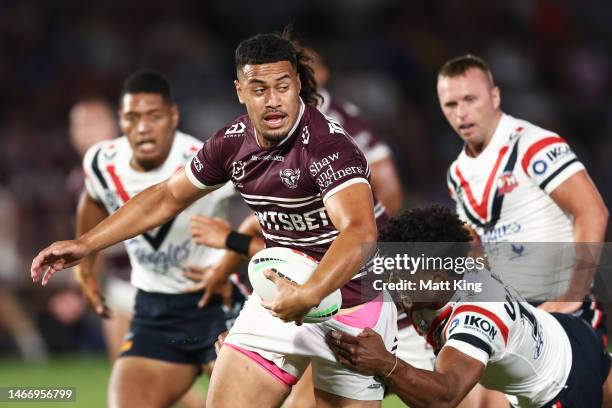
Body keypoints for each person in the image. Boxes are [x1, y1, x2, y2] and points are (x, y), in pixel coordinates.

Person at [31, 33, 397, 407]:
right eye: (258, 89)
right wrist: (86, 243)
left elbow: (359, 231)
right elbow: (167, 196)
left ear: (298, 86)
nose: (272, 101)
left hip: (352, 306)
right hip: (277, 302)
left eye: (282, 87)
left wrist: (310, 292)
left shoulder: (329, 147)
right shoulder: (233, 143)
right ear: (240, 91)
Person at [52, 71, 236, 407]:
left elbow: (264, 209)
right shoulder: (101, 161)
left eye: (154, 116)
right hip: (155, 309)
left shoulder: (204, 158)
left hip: (217, 302)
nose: (143, 127)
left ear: (173, 116)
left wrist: (230, 259)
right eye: (133, 117)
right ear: (120, 119)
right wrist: (87, 267)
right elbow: (92, 199)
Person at [327, 206, 612, 408]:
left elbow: (445, 397)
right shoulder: (439, 273)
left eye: (404, 274)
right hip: (564, 333)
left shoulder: (474, 317)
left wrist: (385, 364)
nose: (394, 281)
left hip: (558, 387)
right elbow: (466, 235)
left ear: (438, 279)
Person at [439, 54, 608, 336]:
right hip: (511, 313)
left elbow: (592, 211)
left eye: (470, 99)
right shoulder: (457, 173)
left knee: (460, 380)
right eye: (451, 104)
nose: (461, 113)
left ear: (494, 97)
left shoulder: (533, 144)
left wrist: (574, 294)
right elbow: (476, 246)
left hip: (558, 306)